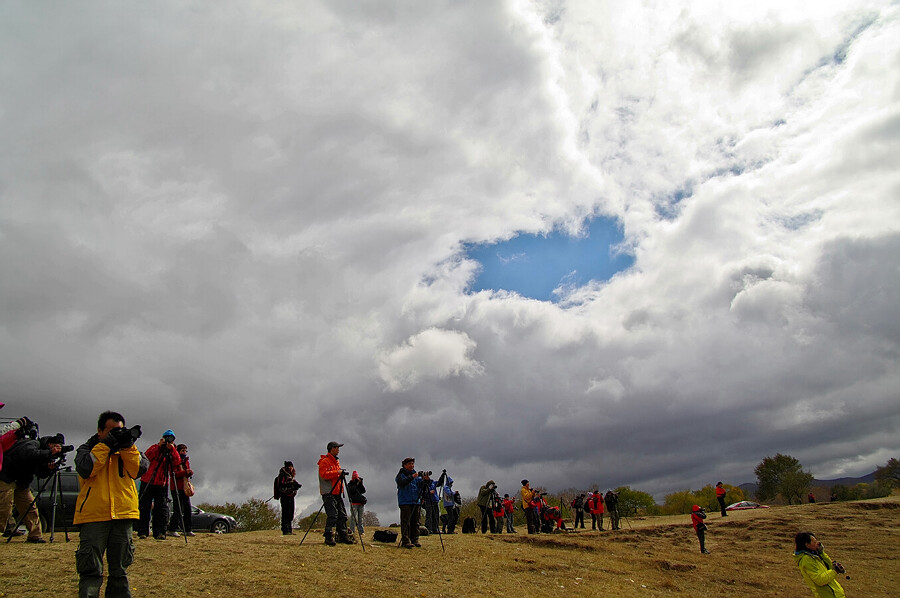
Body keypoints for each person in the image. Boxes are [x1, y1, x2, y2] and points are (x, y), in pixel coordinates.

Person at [74, 410, 149, 598]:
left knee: (120, 570)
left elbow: (139, 469)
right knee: (90, 569)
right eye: (112, 431)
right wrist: (105, 445)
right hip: (94, 515)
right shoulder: (87, 449)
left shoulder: (127, 451)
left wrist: (127, 445)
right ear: (100, 431)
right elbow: (86, 468)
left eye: (119, 430)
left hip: (123, 514)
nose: (116, 434)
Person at [0, 430, 62, 543]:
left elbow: (40, 473)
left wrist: (49, 468)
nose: (56, 449)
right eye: (55, 446)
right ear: (49, 444)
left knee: (30, 506)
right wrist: (49, 453)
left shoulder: (43, 454)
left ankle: (35, 536)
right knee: (4, 506)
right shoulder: (31, 444)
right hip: (7, 477)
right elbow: (29, 455)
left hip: (22, 482)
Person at [137, 429, 181, 540]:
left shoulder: (172, 451)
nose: (167, 441)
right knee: (144, 507)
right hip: (148, 480)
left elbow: (176, 463)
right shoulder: (155, 448)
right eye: (166, 438)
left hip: (162, 483)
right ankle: (142, 531)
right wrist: (158, 446)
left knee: (161, 508)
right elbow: (146, 457)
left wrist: (172, 450)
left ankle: (160, 532)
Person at [0, 410, 35, 538]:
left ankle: (33, 534)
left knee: (7, 506)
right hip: (5, 477)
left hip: (11, 477)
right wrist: (16, 425)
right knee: (4, 505)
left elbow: (3, 442)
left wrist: (16, 434)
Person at [318, 441, 354, 545]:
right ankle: (328, 536)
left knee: (342, 515)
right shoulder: (324, 461)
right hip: (328, 492)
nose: (338, 450)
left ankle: (342, 536)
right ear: (332, 448)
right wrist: (337, 473)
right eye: (337, 448)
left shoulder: (336, 461)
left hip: (337, 491)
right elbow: (324, 475)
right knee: (332, 515)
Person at [793, 531, 846, 598]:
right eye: (814, 542)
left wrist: (822, 554)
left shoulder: (814, 556)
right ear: (807, 545)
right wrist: (835, 571)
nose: (817, 543)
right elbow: (820, 580)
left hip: (835, 594)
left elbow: (829, 567)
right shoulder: (806, 559)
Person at [167, 443, 194, 537]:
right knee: (178, 508)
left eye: (186, 451)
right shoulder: (174, 460)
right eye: (183, 451)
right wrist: (184, 472)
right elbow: (173, 473)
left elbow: (186, 473)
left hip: (185, 486)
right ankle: (172, 528)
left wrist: (189, 473)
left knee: (187, 508)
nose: (185, 453)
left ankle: (187, 529)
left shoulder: (186, 461)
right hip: (176, 487)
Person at [395, 457, 422, 548]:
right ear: (405, 465)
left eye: (412, 464)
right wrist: (412, 477)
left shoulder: (416, 475)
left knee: (416, 521)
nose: (412, 465)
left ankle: (415, 539)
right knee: (406, 522)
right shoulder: (401, 474)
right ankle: (406, 541)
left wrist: (425, 480)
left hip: (415, 501)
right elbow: (401, 483)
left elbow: (421, 485)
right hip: (405, 501)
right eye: (410, 464)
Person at [276, 461, 302, 535]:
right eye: (289, 466)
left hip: (291, 496)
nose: (291, 468)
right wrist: (291, 484)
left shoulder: (291, 476)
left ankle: (289, 529)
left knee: (291, 513)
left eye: (292, 466)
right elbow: (282, 484)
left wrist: (295, 486)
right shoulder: (283, 475)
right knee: (285, 513)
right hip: (285, 496)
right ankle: (285, 529)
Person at [347, 470, 367, 538]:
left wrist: (360, 483)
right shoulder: (350, 484)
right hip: (354, 503)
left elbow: (363, 491)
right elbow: (352, 491)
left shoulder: (359, 484)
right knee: (353, 517)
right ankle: (352, 530)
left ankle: (361, 531)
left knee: (360, 518)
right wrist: (355, 484)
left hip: (360, 502)